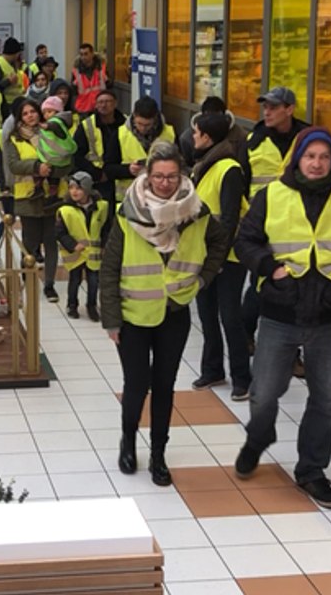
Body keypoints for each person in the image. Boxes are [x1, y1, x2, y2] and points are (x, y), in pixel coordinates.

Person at [233, 128, 331, 509]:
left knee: (325, 399)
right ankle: (258, 437)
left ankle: (312, 471)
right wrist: (269, 267)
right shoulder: (273, 195)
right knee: (264, 393)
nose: (317, 163)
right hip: (280, 311)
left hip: (329, 313)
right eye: (310, 156)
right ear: (297, 158)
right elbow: (245, 240)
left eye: (324, 157)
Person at [100, 141, 229, 486]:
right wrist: (110, 319)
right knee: (137, 384)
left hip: (175, 312)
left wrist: (203, 278)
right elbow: (110, 268)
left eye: (172, 176)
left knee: (164, 385)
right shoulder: (127, 213)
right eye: (158, 176)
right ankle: (128, 441)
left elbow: (219, 242)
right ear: (147, 176)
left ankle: (158, 454)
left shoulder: (196, 212)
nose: (165, 183)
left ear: (182, 175)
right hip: (133, 314)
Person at [245, 86, 310, 372]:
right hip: (264, 227)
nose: (267, 112)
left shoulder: (308, 140)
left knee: (296, 289)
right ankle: (246, 332)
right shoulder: (253, 141)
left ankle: (291, 354)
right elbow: (242, 186)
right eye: (265, 107)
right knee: (261, 285)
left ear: (289, 109)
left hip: (300, 227)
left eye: (273, 107)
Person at [189, 107, 252, 401]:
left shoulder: (229, 169)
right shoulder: (204, 164)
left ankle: (243, 377)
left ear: (209, 137)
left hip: (228, 258)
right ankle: (213, 369)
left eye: (197, 132)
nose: (192, 136)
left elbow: (229, 219)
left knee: (230, 316)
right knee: (207, 314)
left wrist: (219, 258)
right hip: (204, 255)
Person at [3, 99, 71, 304]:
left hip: (53, 196)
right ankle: (27, 279)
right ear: (19, 118)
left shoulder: (49, 132)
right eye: (25, 113)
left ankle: (49, 285)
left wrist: (52, 170)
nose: (30, 116)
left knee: (51, 241)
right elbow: (14, 165)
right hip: (28, 197)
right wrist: (36, 167)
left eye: (33, 111)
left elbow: (66, 158)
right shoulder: (12, 139)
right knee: (30, 243)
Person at [56, 172, 108, 322]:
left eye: (78, 188)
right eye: (71, 188)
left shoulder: (101, 207)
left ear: (87, 189)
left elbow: (106, 227)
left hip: (94, 253)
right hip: (76, 254)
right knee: (75, 280)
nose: (74, 191)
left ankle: (91, 305)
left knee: (93, 281)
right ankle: (72, 305)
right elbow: (60, 232)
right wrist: (72, 245)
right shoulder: (65, 210)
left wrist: (105, 245)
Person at [113, 97, 177, 203]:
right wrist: (128, 170)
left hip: (161, 198)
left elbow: (179, 164)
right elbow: (108, 168)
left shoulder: (170, 134)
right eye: (139, 123)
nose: (142, 128)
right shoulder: (120, 134)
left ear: (155, 119)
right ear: (134, 116)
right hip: (129, 199)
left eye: (147, 125)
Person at [74, 90, 125, 206]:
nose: (104, 105)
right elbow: (77, 154)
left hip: (121, 176)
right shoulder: (87, 125)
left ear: (115, 103)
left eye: (108, 101)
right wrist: (96, 174)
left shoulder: (126, 123)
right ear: (96, 105)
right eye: (100, 102)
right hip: (98, 178)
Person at [0, 38, 27, 124]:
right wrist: (8, 82)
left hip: (16, 104)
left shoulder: (14, 64)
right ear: (16, 54)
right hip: (4, 106)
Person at [71, 43, 108, 115]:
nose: (83, 57)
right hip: (82, 107)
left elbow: (109, 85)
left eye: (86, 54)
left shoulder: (102, 68)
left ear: (92, 54)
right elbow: (73, 90)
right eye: (81, 54)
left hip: (99, 106)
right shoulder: (76, 70)